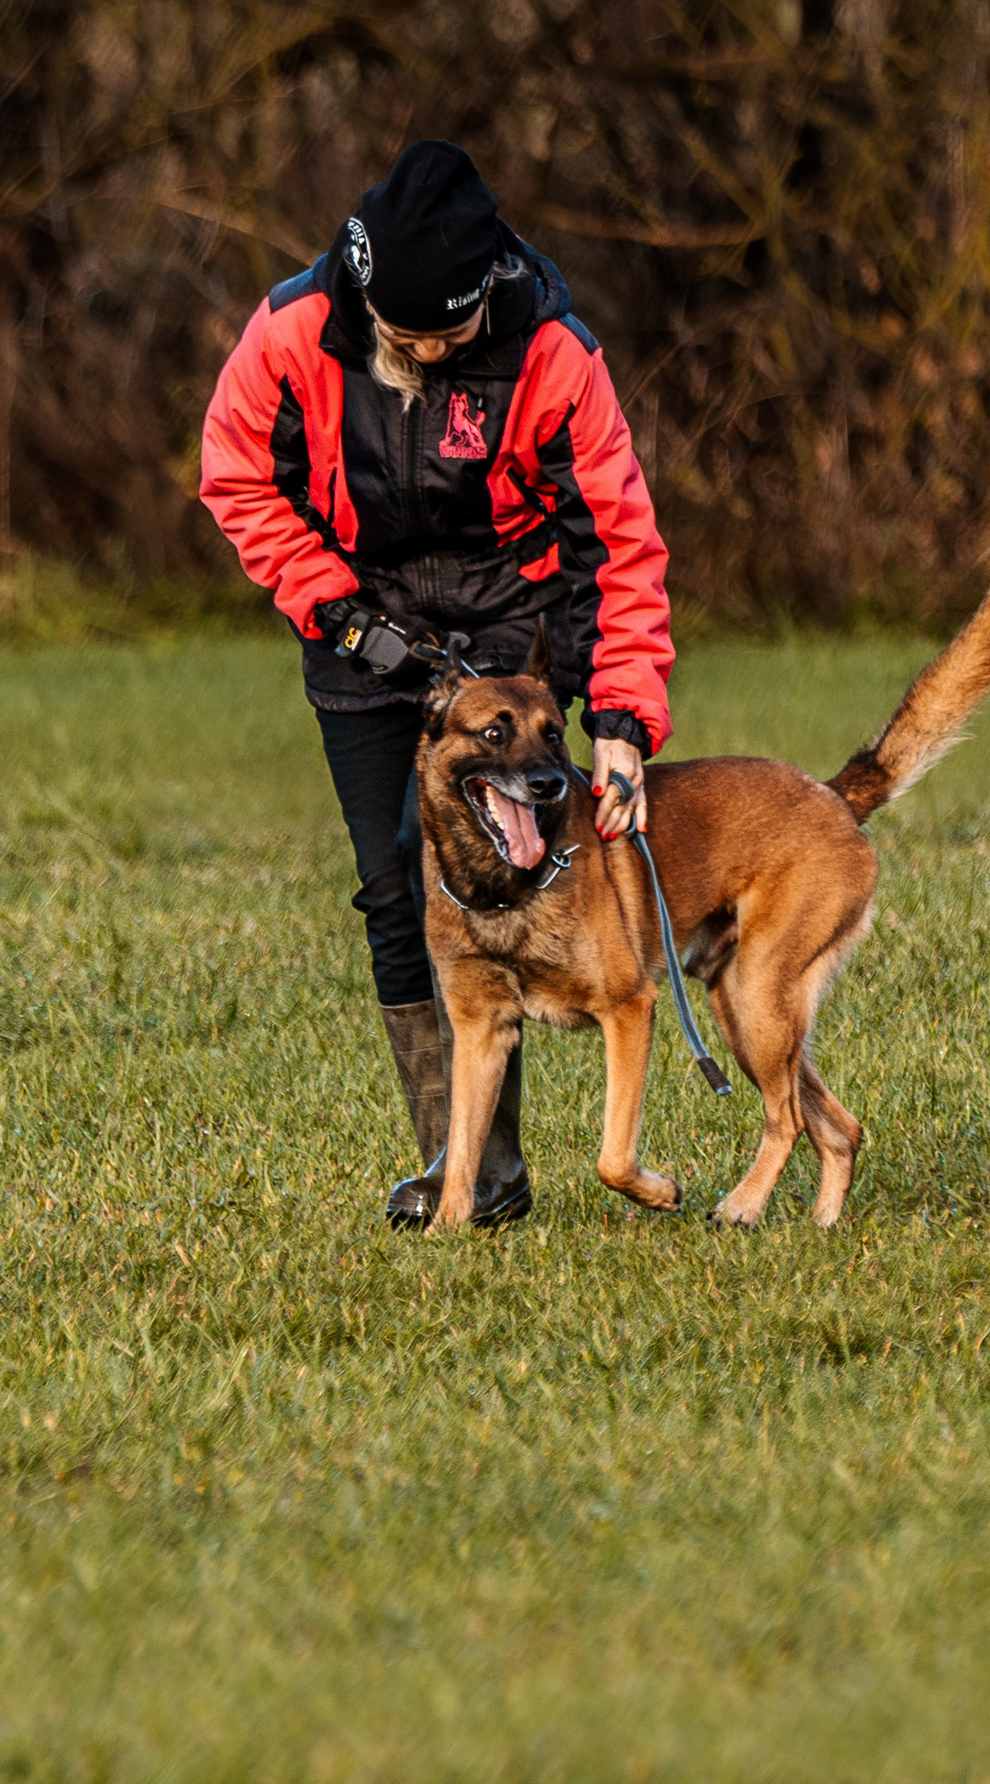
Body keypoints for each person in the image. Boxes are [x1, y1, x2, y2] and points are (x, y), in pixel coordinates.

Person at [199, 140, 674, 1227]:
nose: (423, 348)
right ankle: (470, 1169)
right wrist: (336, 608)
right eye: (403, 334)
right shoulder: (291, 332)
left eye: (445, 334)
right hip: (360, 625)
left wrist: (620, 717)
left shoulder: (554, 349)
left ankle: (575, 1094)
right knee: (393, 886)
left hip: (511, 626)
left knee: (531, 869)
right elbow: (235, 475)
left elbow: (615, 536)